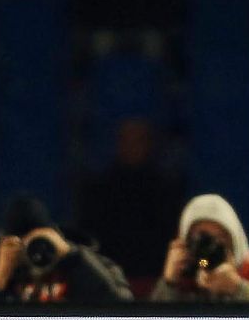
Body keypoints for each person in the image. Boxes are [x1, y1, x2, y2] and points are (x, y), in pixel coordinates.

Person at [0, 194, 133, 304]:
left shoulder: (88, 262)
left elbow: (122, 306)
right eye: (18, 244)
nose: (29, 251)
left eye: (35, 240)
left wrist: (73, 257)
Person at [74, 119, 183, 279]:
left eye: (138, 140)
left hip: (156, 282)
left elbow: (200, 261)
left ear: (150, 144)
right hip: (108, 284)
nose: (132, 147)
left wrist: (202, 264)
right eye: (126, 140)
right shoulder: (98, 192)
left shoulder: (167, 193)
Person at [151, 194, 249, 303]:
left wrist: (237, 288)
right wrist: (168, 283)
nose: (211, 248)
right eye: (203, 240)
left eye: (220, 238)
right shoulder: (184, 279)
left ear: (235, 238)